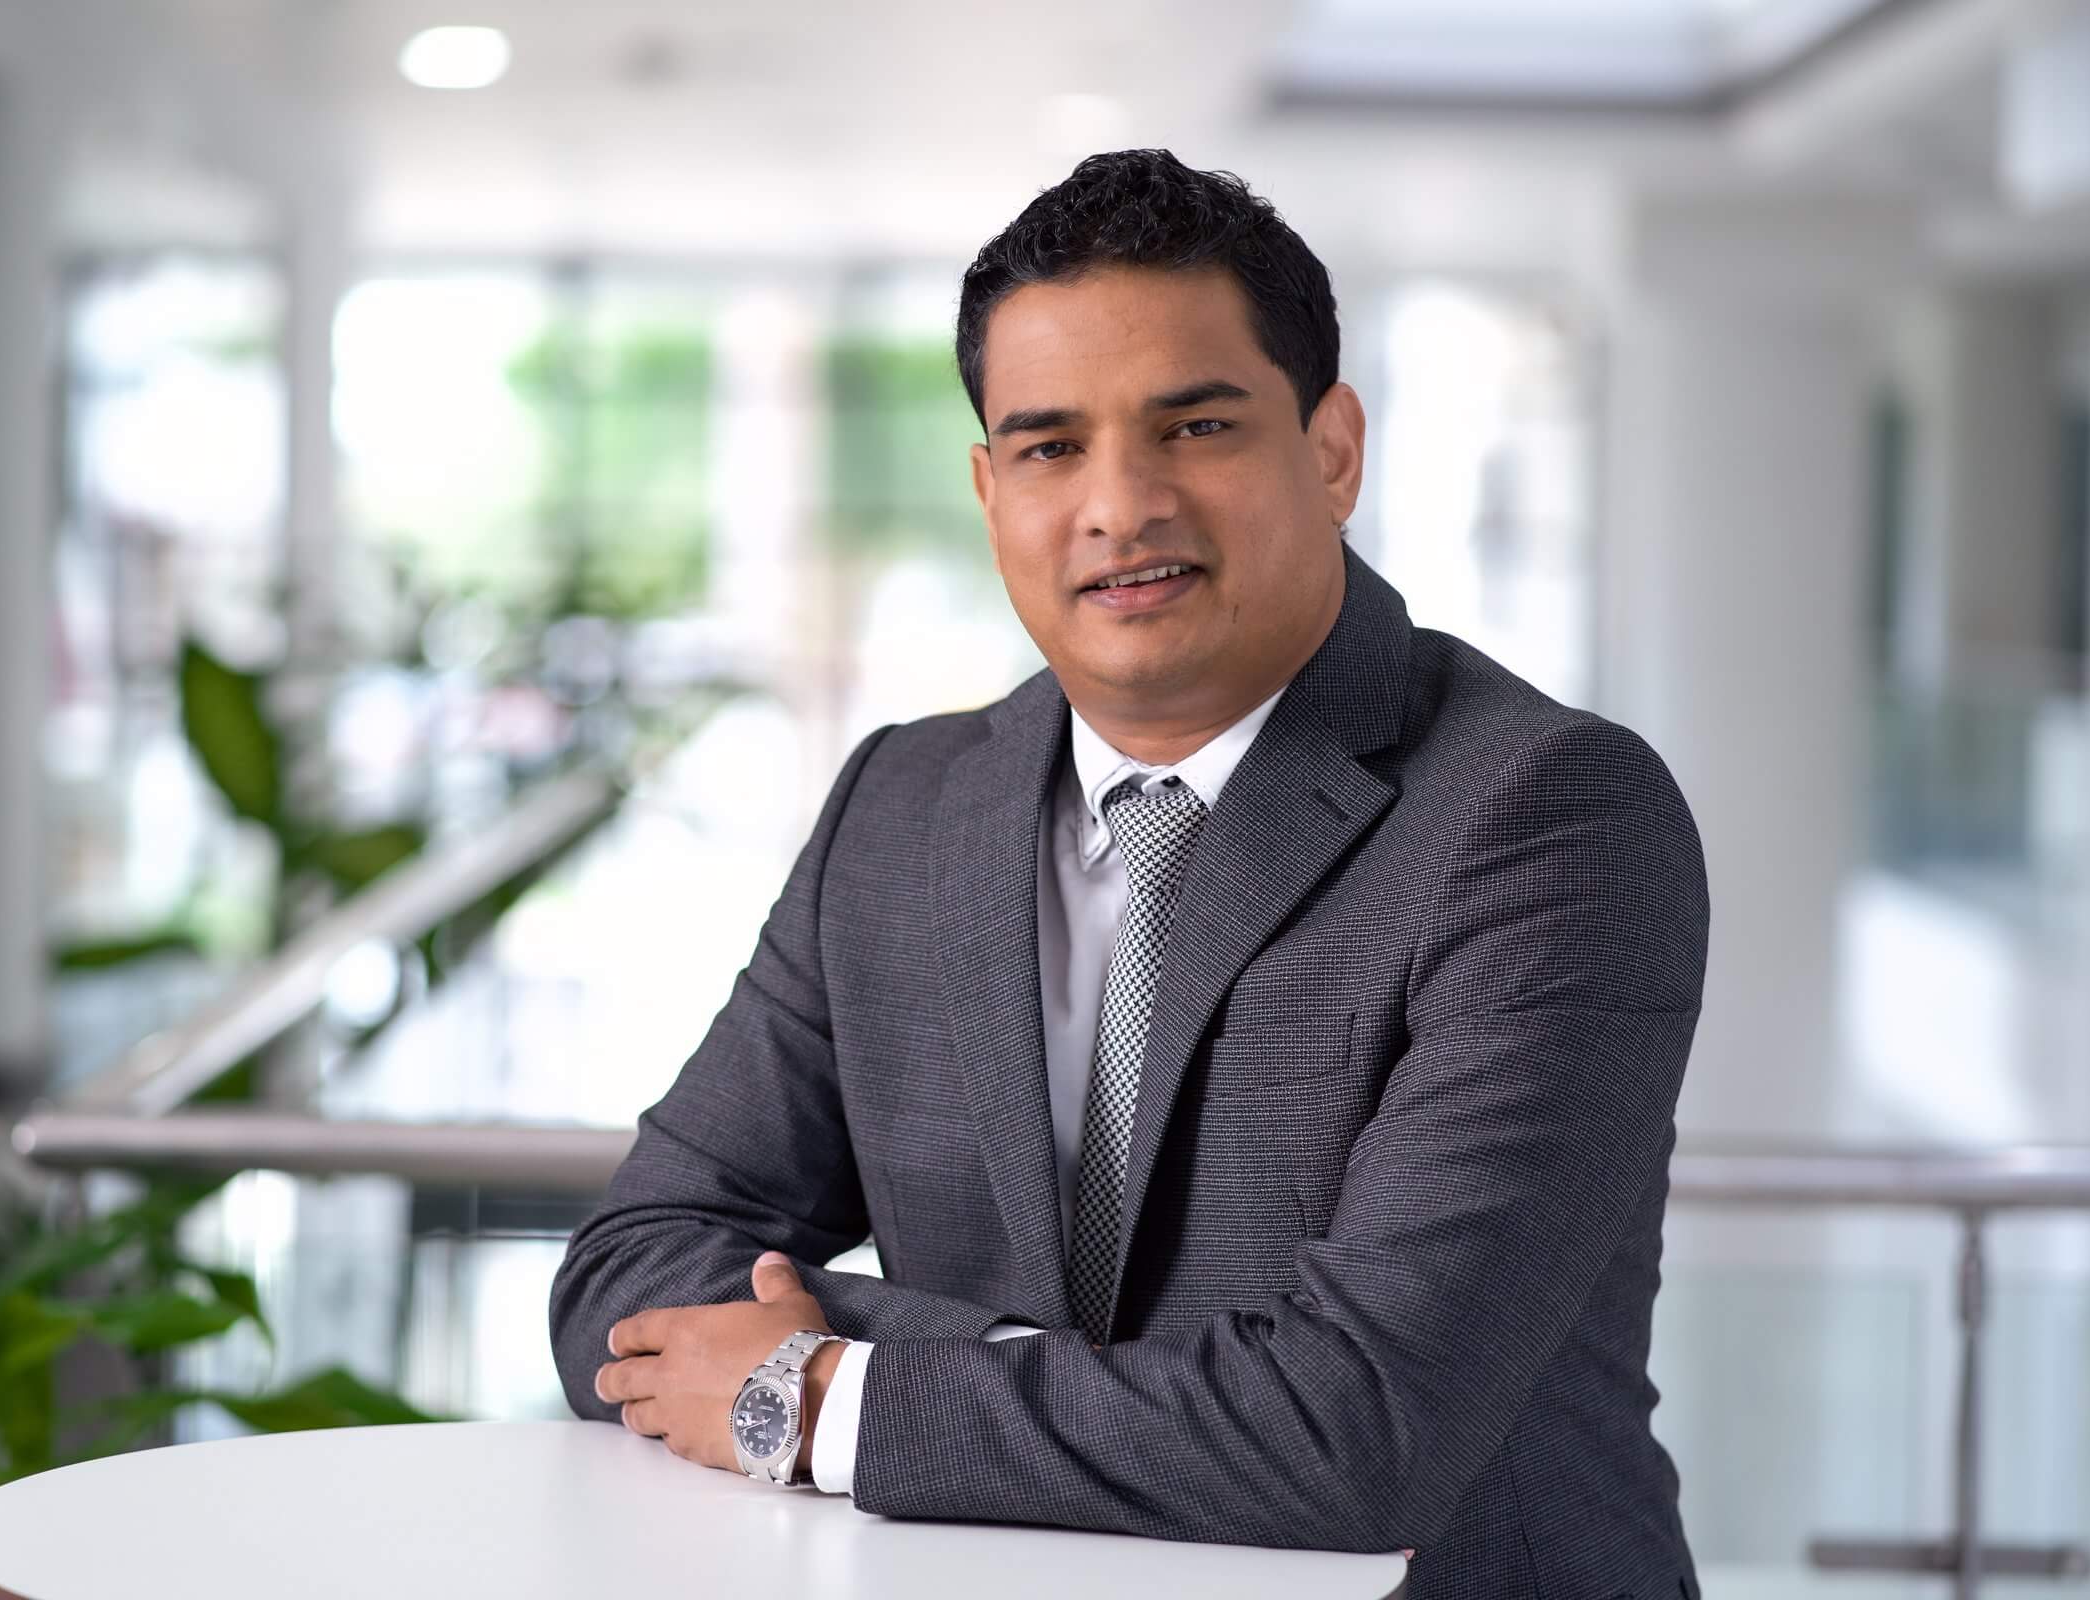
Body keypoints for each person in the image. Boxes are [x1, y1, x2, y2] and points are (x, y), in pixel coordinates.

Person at [549, 148, 1708, 1600]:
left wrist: (828, 1387)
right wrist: (1119, 1406)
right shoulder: (901, 807)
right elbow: (628, 1271)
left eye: (1196, 426)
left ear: (1332, 450)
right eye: (1049, 447)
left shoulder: (1547, 815)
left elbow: (1355, 1434)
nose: (1120, 505)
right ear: (990, 492)